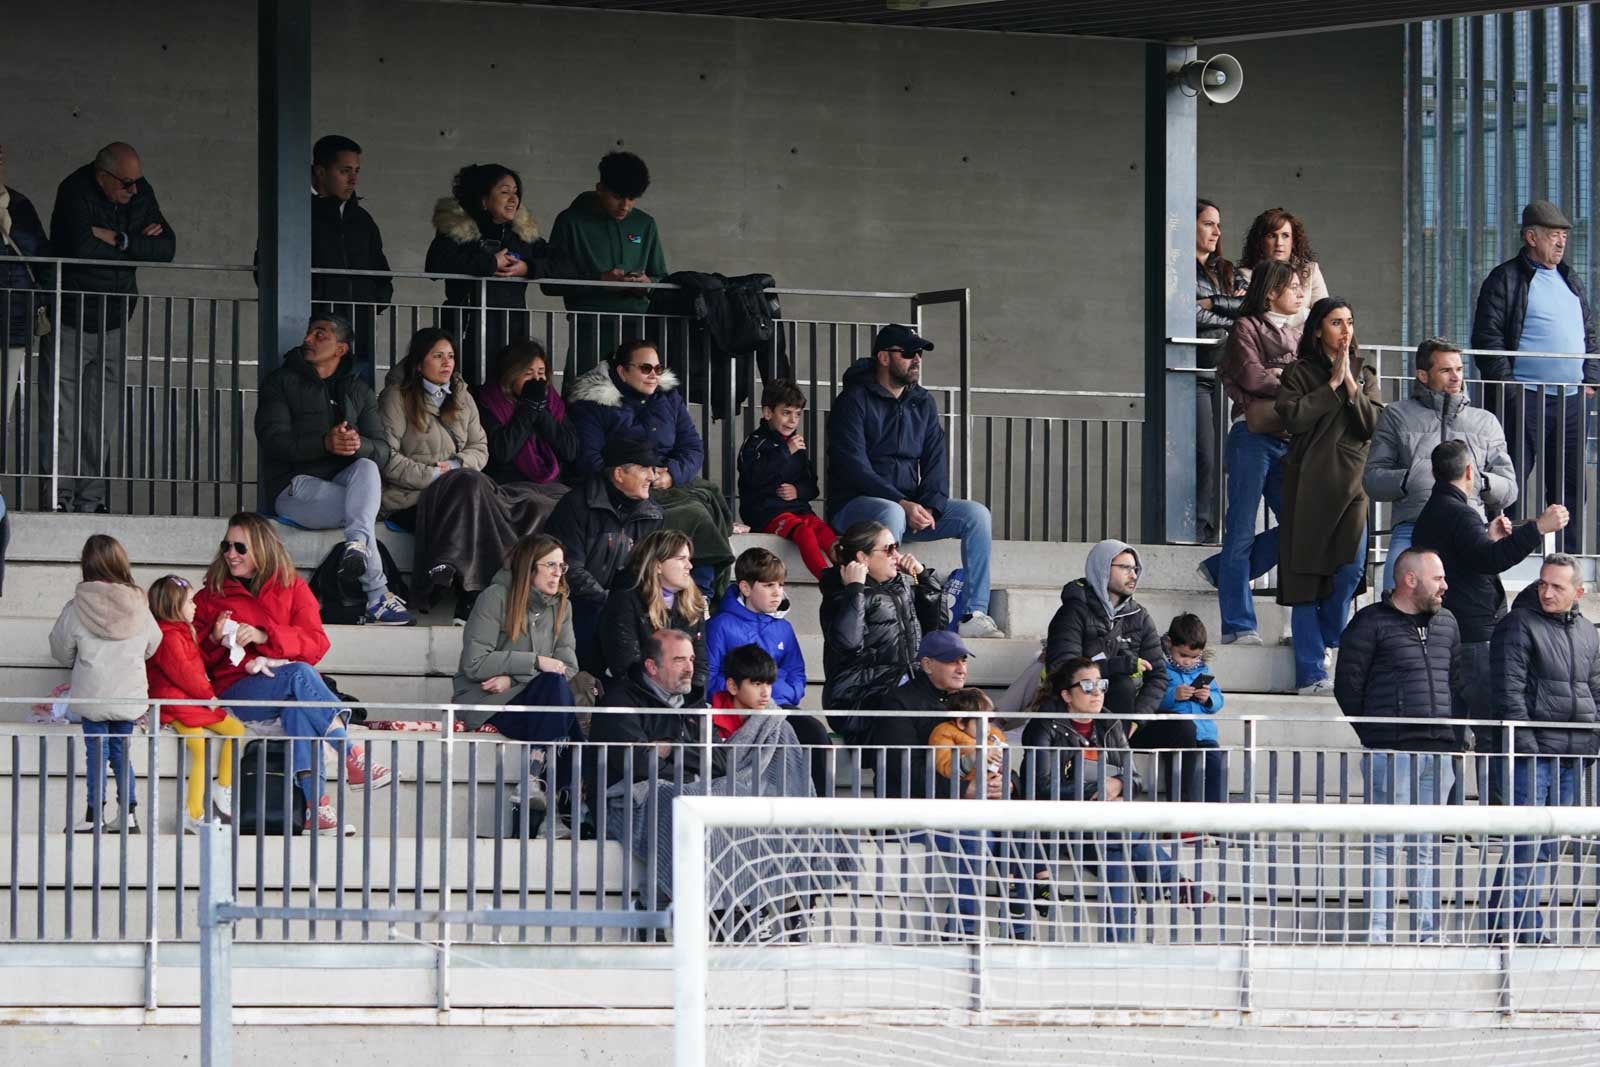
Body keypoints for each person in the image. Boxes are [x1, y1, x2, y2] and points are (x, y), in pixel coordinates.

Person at [192, 513, 389, 835]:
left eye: (240, 547)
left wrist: (266, 636)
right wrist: (214, 639)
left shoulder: (292, 587)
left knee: (299, 706)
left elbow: (316, 644)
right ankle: (351, 752)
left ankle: (316, 808)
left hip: (285, 687)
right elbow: (190, 661)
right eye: (226, 546)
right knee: (300, 674)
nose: (231, 554)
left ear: (262, 548)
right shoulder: (209, 596)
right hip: (236, 690)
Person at [1411, 440, 1568, 804]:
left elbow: (1469, 557)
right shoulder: (1459, 513)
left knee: (1449, 733)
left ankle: (1446, 814)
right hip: (1476, 638)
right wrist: (1537, 528)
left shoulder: (1433, 511)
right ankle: (1493, 814)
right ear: (1469, 472)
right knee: (1491, 733)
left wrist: (1488, 537)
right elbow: (1488, 561)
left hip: (1447, 634)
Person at [826, 324, 1001, 638]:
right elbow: (854, 467)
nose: (916, 359)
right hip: (854, 507)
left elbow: (936, 462)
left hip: (906, 507)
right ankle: (892, 605)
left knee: (976, 515)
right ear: (883, 357)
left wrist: (930, 508)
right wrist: (902, 503)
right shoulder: (853, 400)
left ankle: (975, 613)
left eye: (919, 353)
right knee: (891, 513)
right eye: (907, 353)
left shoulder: (923, 402)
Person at [379, 328, 561, 622]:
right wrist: (437, 476)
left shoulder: (462, 397)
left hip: (462, 489)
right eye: (437, 356)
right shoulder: (395, 398)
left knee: (522, 498)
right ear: (418, 363)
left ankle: (456, 578)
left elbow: (480, 448)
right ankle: (472, 596)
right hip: (412, 497)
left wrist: (454, 467)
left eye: (450, 356)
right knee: (469, 485)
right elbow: (388, 460)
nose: (446, 363)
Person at [1333, 548, 1463, 942]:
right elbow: (1348, 687)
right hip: (1390, 750)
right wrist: (1377, 734)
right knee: (1384, 845)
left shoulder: (1448, 623)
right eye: (1437, 578)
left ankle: (1426, 932)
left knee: (1426, 846)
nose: (1444, 586)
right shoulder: (1369, 623)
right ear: (1409, 579)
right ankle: (1379, 931)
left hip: (1438, 751)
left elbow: (1457, 681)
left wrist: (1455, 736)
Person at [257, 314, 411, 626]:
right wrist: (324, 444)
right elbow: (273, 440)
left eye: (320, 334)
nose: (308, 340)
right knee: (363, 511)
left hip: (344, 485)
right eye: (309, 333)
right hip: (293, 487)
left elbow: (381, 450)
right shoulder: (280, 381)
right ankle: (378, 593)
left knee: (366, 466)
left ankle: (357, 548)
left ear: (340, 348)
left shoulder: (358, 389)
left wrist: (357, 444)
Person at [1022, 659, 1193, 941]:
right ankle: (1170, 881)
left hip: (1105, 829)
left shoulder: (1111, 722)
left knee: (1117, 851)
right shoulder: (1044, 725)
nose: (1097, 693)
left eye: (1101, 685)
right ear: (1066, 694)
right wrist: (1097, 792)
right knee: (1119, 839)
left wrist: (1119, 783)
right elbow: (1040, 785)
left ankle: (1119, 945)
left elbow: (1135, 778)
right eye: (1087, 686)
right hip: (1061, 827)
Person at [46, 142, 176, 512]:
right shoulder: (74, 190)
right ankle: (58, 497)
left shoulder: (139, 188)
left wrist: (118, 238)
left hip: (116, 319)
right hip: (71, 316)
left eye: (137, 183)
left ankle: (91, 501)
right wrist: (135, 246)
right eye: (125, 184)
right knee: (63, 416)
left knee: (102, 419)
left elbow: (167, 248)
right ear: (102, 176)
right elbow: (82, 248)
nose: (133, 191)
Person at [1471, 200, 1598, 554]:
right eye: (1553, 235)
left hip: (1572, 398)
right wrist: (1509, 388)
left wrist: (1590, 377)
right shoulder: (1505, 278)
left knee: (1571, 484)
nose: (1561, 243)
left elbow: (1588, 332)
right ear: (1530, 237)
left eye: (1564, 236)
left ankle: (1565, 558)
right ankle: (1500, 553)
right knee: (1508, 483)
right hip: (1522, 397)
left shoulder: (1571, 278)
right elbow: (1486, 339)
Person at [1486, 554, 1600, 942]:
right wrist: (1529, 748)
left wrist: (1592, 740)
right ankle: (1514, 933)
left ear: (1578, 592)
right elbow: (1509, 692)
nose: (1547, 592)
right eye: (1542, 584)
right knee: (1524, 847)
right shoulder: (1519, 624)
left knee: (1550, 849)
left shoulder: (1588, 632)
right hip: (1530, 759)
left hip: (1572, 757)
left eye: (1557, 586)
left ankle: (1528, 930)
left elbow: (1596, 690)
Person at [568, 339, 736, 596]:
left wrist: (671, 474)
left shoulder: (669, 397)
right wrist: (632, 478)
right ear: (623, 371)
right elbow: (590, 459)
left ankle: (702, 594)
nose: (654, 375)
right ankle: (701, 593)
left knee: (704, 505)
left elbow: (693, 447)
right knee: (695, 513)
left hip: (665, 482)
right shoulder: (593, 404)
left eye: (658, 369)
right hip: (621, 490)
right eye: (646, 368)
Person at [1275, 297, 1382, 695]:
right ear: (1319, 328)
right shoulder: (1298, 373)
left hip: (1352, 484)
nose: (1345, 330)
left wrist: (1350, 382)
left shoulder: (1365, 371)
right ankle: (1310, 673)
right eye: (1337, 322)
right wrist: (1332, 385)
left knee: (1350, 570)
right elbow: (1295, 416)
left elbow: (1373, 424)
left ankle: (1332, 643)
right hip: (1307, 487)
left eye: (1350, 322)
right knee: (1305, 581)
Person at [1196, 260, 1305, 643]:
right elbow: (1254, 377)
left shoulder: (1297, 333)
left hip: (1288, 438)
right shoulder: (1246, 326)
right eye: (1292, 286)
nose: (1300, 292)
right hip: (1252, 435)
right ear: (1271, 291)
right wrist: (1291, 380)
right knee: (1240, 529)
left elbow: (1301, 380)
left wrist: (1283, 377)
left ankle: (1221, 569)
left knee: (1300, 526)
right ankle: (1239, 625)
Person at [1363, 337, 1517, 592]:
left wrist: (1479, 481)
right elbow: (1372, 480)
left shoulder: (1485, 421)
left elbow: (1510, 489)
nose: (1455, 377)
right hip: (1414, 526)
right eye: (1445, 370)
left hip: (1470, 528)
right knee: (1394, 596)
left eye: (1458, 369)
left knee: (1477, 608)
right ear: (1423, 375)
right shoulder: (1396, 415)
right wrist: (1413, 478)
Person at [49, 535, 161, 834]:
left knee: (95, 753)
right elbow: (154, 643)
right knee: (121, 753)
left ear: (86, 565)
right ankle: (130, 814)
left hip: (94, 696)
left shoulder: (76, 606)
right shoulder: (140, 604)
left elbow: (60, 650)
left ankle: (93, 814)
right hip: (129, 696)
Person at [425, 163, 573, 384]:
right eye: (504, 192)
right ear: (483, 199)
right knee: (467, 387)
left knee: (508, 388)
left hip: (511, 327)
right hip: (465, 327)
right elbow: (435, 265)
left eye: (516, 193)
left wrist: (528, 268)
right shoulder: (458, 229)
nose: (513, 199)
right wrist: (489, 263)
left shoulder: (522, 234)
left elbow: (564, 265)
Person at [705, 546, 831, 790]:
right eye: (769, 585)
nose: (778, 593)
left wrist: (769, 694)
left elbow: (797, 675)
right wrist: (746, 694)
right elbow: (709, 679)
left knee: (815, 734)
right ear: (745, 587)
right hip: (733, 714)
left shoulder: (783, 628)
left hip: (779, 709)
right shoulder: (720, 625)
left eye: (781, 585)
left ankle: (822, 818)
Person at [818, 520, 947, 744]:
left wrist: (922, 576)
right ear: (862, 557)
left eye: (896, 547)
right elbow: (848, 644)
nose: (896, 555)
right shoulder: (840, 594)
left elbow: (935, 631)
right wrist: (854, 590)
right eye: (889, 549)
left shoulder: (900, 586)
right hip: (860, 699)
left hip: (904, 690)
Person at [542, 434, 664, 671]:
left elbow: (647, 574)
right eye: (644, 468)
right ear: (619, 474)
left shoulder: (654, 515)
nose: (652, 476)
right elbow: (569, 570)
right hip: (572, 605)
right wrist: (611, 602)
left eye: (653, 468)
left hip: (619, 607)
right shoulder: (576, 506)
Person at [545, 151, 666, 383]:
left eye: (632, 198)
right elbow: (550, 282)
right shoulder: (571, 221)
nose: (625, 205)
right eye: (618, 196)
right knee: (585, 394)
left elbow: (662, 276)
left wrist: (648, 284)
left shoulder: (645, 223)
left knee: (635, 398)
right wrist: (600, 280)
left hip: (637, 326)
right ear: (600, 188)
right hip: (589, 325)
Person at [145, 574, 250, 833]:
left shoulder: (180, 632)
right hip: (175, 703)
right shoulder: (168, 636)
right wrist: (209, 697)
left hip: (187, 701)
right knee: (201, 746)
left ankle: (221, 787)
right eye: (190, 601)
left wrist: (214, 637)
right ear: (173, 605)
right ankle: (194, 812)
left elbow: (193, 660)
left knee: (234, 731)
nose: (196, 606)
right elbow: (185, 672)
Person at [452, 532, 579, 741]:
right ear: (529, 567)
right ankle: (551, 766)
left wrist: (513, 679)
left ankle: (542, 763)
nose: (558, 573)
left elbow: (567, 667)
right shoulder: (494, 598)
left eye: (562, 566)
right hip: (489, 703)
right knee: (559, 705)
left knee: (555, 687)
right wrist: (536, 661)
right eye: (551, 565)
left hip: (535, 698)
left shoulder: (563, 606)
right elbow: (475, 663)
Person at [1045, 539, 1168, 727]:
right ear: (1102, 569)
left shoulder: (1140, 616)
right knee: (1121, 685)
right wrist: (1120, 666)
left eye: (1136, 569)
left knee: (1183, 729)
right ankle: (1115, 753)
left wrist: (1137, 720)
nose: (1133, 575)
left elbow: (1158, 675)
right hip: (1081, 712)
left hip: (1128, 717)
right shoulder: (1072, 612)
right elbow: (1064, 669)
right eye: (1125, 567)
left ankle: (1122, 741)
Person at [308, 134, 392, 386]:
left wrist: (375, 304)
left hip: (358, 332)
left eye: (356, 171)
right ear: (320, 172)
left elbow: (381, 271)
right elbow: (267, 268)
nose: (353, 179)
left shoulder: (362, 220)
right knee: (314, 404)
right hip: (315, 336)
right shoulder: (294, 212)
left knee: (358, 403)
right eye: (345, 171)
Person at [736, 380, 835, 580]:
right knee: (804, 533)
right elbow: (753, 477)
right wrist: (785, 451)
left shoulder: (796, 444)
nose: (792, 420)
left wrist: (798, 491)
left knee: (825, 532)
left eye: (797, 414)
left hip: (798, 509)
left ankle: (848, 576)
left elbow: (812, 485)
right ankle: (827, 580)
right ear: (767, 412)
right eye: (786, 413)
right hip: (766, 512)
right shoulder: (755, 442)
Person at [598, 531, 711, 704]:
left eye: (689, 559)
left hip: (683, 702)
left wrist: (689, 704)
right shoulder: (625, 602)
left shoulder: (694, 605)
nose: (689, 566)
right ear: (658, 565)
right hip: (637, 702)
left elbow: (700, 663)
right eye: (681, 559)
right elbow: (625, 664)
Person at [874, 631, 980, 800]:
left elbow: (995, 745)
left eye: (964, 661)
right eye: (952, 661)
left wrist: (1007, 782)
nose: (962, 669)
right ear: (927, 665)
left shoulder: (969, 700)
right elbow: (905, 769)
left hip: (964, 810)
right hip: (914, 816)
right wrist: (963, 789)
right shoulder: (899, 703)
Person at [1194, 199, 1245, 542]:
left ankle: (1211, 530)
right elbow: (1187, 315)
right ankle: (1199, 528)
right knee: (1204, 457)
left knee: (1222, 458)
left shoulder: (1226, 270)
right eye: (1208, 223)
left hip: (1224, 374)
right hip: (1191, 373)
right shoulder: (1177, 269)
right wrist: (1231, 315)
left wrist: (1214, 302)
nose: (1216, 232)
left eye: (1218, 225)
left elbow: (1251, 306)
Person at [476, 338, 576, 491]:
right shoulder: (490, 402)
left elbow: (570, 450)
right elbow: (503, 452)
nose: (536, 379)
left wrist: (540, 410)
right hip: (509, 489)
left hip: (553, 485)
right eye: (528, 374)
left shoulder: (552, 402)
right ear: (510, 377)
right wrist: (528, 409)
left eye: (541, 373)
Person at [1, 142, 52, 419]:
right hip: (14, 313)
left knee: (3, 405)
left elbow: (40, 254)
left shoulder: (19, 205)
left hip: (15, 318)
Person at [1157, 612, 1225, 804]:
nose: (1188, 661)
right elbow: (1151, 698)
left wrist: (1208, 699)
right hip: (1179, 735)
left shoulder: (1203, 669)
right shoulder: (1161, 667)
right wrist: (1173, 696)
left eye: (1194, 657)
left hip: (1205, 735)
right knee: (1187, 772)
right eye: (1183, 655)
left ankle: (1215, 818)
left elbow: (1219, 698)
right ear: (1170, 644)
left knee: (1216, 767)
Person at [1235, 207, 1328, 329]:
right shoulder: (1247, 274)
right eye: (1272, 236)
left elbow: (1325, 314)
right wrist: (1306, 313)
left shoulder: (1310, 270)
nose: (1279, 243)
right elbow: (1264, 317)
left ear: (1293, 241)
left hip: (1306, 344)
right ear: (1260, 241)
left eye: (1285, 236)